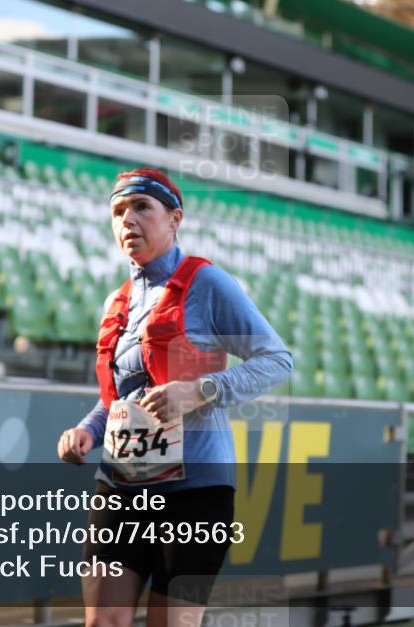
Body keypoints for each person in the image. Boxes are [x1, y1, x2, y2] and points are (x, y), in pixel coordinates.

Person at [57, 168, 293, 627]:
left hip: (195, 493)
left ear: (174, 218)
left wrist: (201, 390)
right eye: (118, 211)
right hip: (121, 488)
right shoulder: (116, 302)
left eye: (142, 207)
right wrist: (86, 431)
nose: (128, 220)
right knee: (102, 621)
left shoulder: (208, 284)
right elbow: (119, 399)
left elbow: (277, 359)